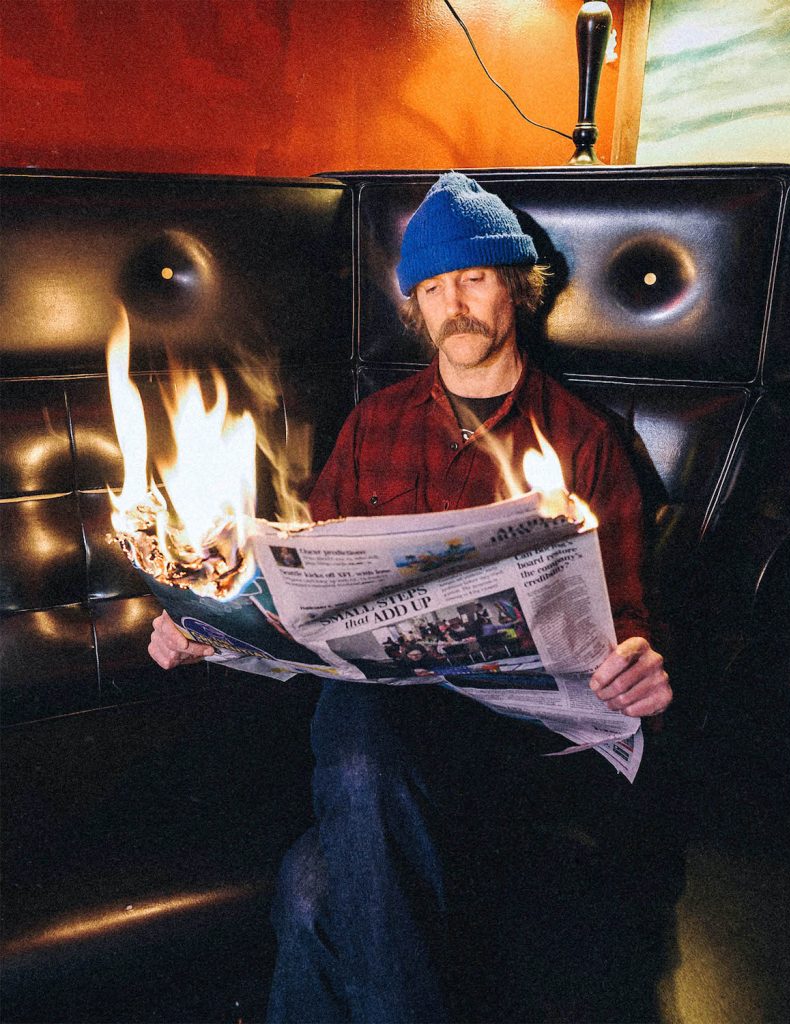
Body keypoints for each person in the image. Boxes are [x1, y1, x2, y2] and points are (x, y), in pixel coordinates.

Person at [148, 172, 671, 1023]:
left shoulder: (584, 440)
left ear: (516, 289)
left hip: (507, 753)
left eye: (472, 278)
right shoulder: (374, 427)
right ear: (415, 310)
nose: (453, 304)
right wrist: (210, 623)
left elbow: (625, 615)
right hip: (383, 742)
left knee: (315, 887)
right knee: (353, 756)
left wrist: (641, 663)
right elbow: (302, 590)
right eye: (431, 289)